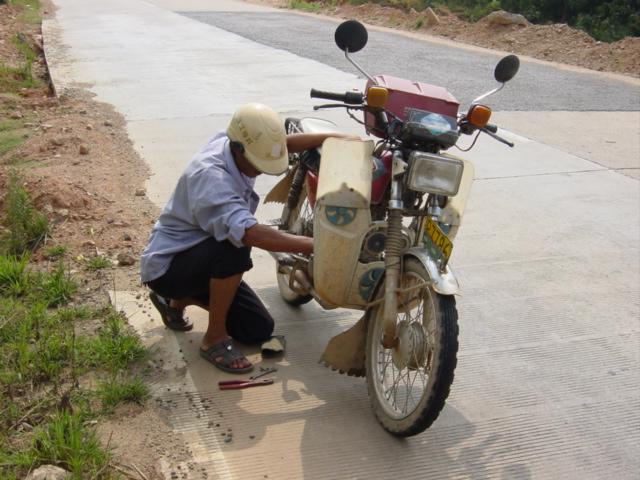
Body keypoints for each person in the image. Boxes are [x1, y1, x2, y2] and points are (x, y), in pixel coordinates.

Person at [140, 103, 351, 374]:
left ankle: (175, 301)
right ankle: (213, 339)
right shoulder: (211, 177)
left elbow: (282, 144)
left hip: (199, 257)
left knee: (258, 329)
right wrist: (319, 246)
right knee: (235, 246)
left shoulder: (234, 143)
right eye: (258, 163)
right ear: (238, 150)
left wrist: (332, 139)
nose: (262, 169)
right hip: (169, 267)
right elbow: (250, 233)